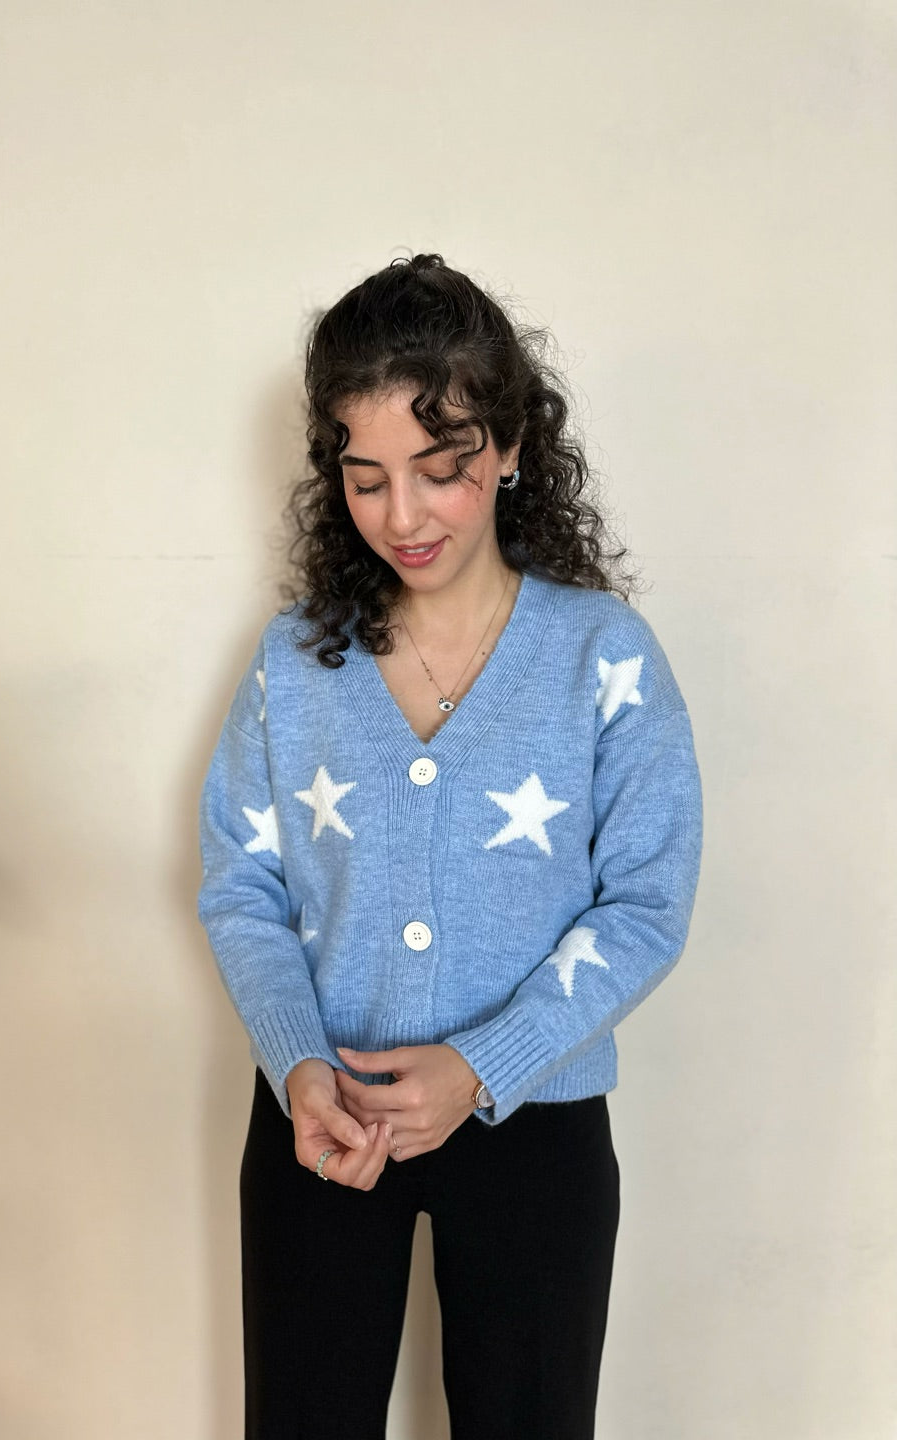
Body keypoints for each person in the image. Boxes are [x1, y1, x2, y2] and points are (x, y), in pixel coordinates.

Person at [197, 252, 704, 1440]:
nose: (403, 516)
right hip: (322, 1119)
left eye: (441, 470)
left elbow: (647, 903)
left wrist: (482, 1066)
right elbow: (241, 885)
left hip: (535, 1129)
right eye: (366, 478)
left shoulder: (604, 658)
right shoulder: (294, 663)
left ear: (511, 446)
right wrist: (297, 1065)